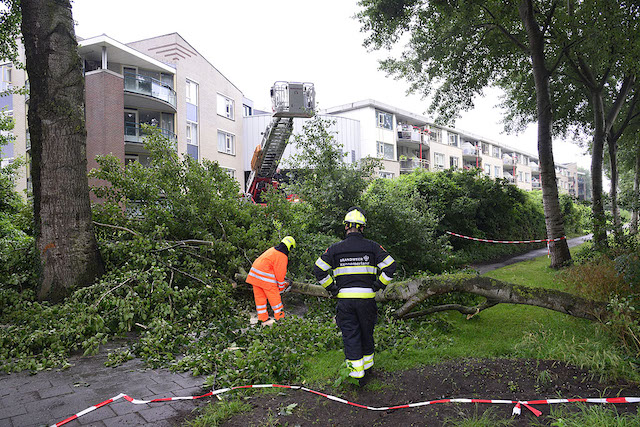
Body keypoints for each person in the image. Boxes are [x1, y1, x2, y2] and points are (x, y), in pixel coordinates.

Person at [313, 207, 396, 382]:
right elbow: (391, 266)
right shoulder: (373, 247)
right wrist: (379, 284)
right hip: (367, 301)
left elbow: (318, 269)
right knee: (367, 333)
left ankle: (356, 376)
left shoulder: (335, 249)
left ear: (346, 227)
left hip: (345, 302)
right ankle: (368, 369)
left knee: (351, 334)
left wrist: (332, 288)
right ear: (362, 228)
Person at [246, 236, 295, 325]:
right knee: (276, 302)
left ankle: (262, 319)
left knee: (260, 300)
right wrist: (282, 287)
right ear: (290, 247)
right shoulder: (282, 256)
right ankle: (281, 320)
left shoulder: (272, 250)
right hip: (265, 278)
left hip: (254, 275)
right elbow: (280, 275)